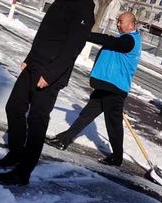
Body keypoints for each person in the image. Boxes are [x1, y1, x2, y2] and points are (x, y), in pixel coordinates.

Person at [0, 0, 95, 186]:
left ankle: (23, 172)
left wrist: (49, 76)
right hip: (34, 66)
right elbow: (43, 35)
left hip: (50, 74)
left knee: (38, 121)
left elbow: (72, 49)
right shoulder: (61, 2)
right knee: (14, 107)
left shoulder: (84, 11)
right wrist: (29, 59)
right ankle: (16, 152)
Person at [46, 12, 141, 166]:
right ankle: (63, 140)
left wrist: (85, 35)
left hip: (114, 89)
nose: (118, 23)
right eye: (117, 21)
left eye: (121, 21)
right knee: (86, 115)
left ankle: (117, 157)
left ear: (131, 25)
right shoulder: (126, 38)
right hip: (107, 86)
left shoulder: (129, 40)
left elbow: (108, 41)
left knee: (113, 124)